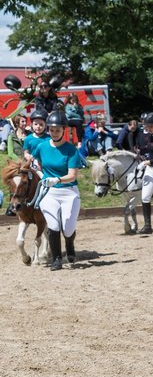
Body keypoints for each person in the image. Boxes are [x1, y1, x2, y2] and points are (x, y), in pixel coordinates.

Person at [32, 111, 81, 269]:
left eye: (57, 130)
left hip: (68, 191)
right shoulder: (42, 147)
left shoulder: (71, 150)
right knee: (53, 225)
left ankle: (70, 244)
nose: (54, 133)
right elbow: (37, 164)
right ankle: (57, 259)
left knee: (68, 228)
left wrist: (58, 179)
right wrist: (42, 175)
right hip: (49, 193)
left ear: (63, 130)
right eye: (51, 130)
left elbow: (72, 175)